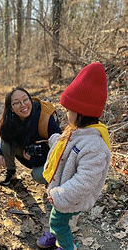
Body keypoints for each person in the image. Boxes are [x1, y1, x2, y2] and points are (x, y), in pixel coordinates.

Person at [37, 62, 111, 250]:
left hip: (72, 196)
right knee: (57, 215)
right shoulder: (78, 130)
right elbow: (65, 146)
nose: (67, 114)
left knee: (59, 222)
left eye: (69, 111)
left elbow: (86, 180)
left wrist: (61, 195)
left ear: (82, 113)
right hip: (62, 191)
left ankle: (66, 245)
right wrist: (53, 139)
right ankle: (55, 234)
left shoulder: (95, 146)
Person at [0, 86, 61, 186]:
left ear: (30, 99)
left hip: (46, 157)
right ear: (11, 108)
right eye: (17, 103)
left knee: (39, 175)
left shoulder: (45, 118)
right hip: (25, 153)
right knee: (4, 139)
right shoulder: (9, 119)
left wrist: (35, 159)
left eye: (25, 99)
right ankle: (11, 173)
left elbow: (60, 149)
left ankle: (54, 180)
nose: (23, 105)